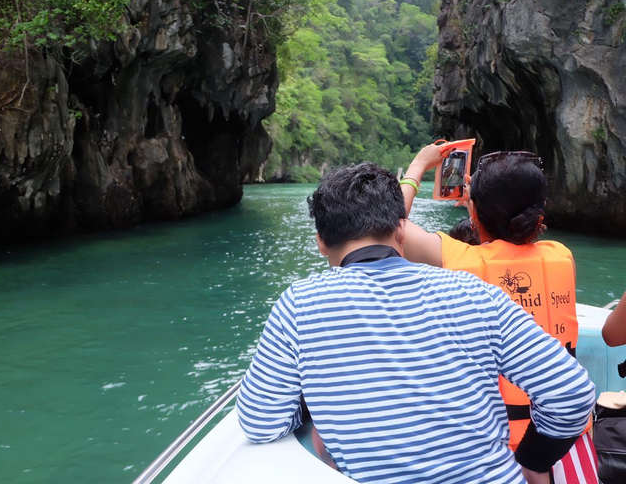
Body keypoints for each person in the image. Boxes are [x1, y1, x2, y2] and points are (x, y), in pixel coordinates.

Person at [236, 162, 595, 484]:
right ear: (401, 231)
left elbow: (259, 421)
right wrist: (531, 461)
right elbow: (572, 393)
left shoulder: (299, 305)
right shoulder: (474, 292)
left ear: (320, 243)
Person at [399, 145, 598, 482]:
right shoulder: (561, 257)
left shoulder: (463, 262)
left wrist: (419, 165)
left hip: (498, 452)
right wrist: (480, 208)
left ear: (474, 212)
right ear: (541, 210)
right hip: (566, 443)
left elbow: (389, 227)